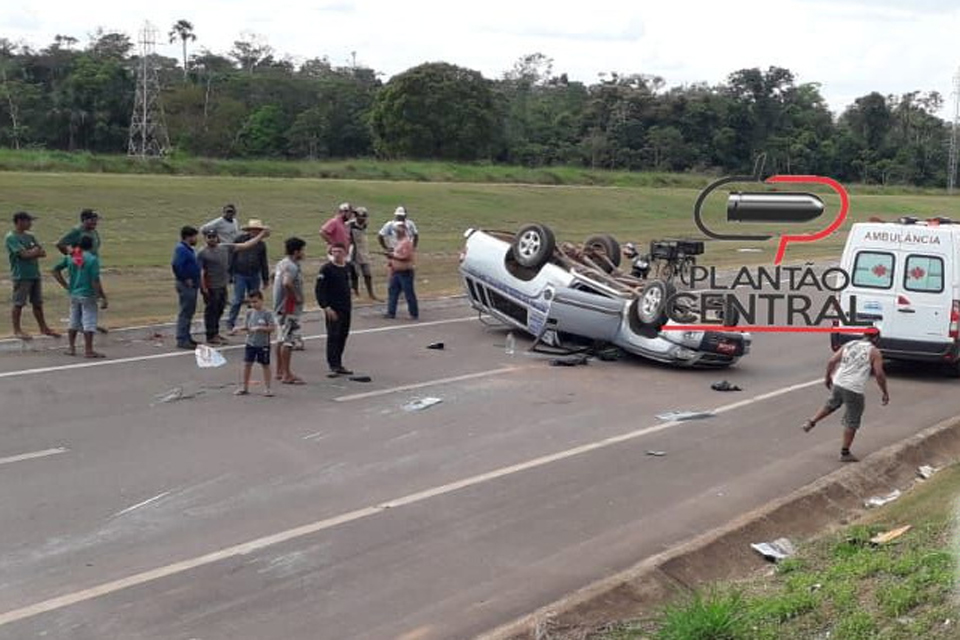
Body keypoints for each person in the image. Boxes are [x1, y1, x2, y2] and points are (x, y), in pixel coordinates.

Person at [803, 329, 889, 462]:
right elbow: (879, 374)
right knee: (852, 419)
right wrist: (884, 392)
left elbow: (832, 361)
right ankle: (845, 452)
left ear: (864, 336)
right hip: (854, 388)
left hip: (839, 382)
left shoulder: (849, 344)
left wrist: (827, 378)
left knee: (832, 404)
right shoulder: (874, 352)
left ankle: (811, 421)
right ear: (876, 338)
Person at [198, 226, 269, 345]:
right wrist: (204, 288)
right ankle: (210, 335)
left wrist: (261, 236)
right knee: (211, 311)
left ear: (217, 237)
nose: (212, 239)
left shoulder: (224, 247)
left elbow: (245, 245)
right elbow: (200, 272)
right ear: (205, 238)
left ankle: (215, 333)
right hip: (211, 287)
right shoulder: (202, 252)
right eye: (209, 237)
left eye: (213, 237)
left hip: (222, 285)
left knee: (220, 310)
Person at [6, 211, 60, 340]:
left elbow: (42, 252)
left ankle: (44, 328)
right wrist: (33, 252)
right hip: (21, 275)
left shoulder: (30, 236)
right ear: (19, 221)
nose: (30, 224)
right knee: (19, 302)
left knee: (37, 302)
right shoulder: (11, 237)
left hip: (34, 273)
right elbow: (23, 255)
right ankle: (17, 330)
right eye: (28, 221)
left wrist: (32, 252)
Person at [51, 235, 107, 358]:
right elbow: (95, 280)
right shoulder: (92, 259)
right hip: (87, 293)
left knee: (73, 320)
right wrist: (101, 296)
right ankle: (89, 349)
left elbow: (55, 270)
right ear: (91, 246)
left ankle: (71, 348)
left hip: (73, 293)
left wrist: (66, 285)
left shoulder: (72, 257)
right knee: (89, 321)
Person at [227, 219, 271, 334]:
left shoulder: (261, 245)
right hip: (240, 273)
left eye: (258, 230)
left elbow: (263, 262)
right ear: (249, 230)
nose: (255, 232)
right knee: (238, 299)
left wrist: (265, 278)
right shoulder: (239, 240)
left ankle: (252, 323)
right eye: (254, 230)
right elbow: (232, 257)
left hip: (254, 274)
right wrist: (230, 273)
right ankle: (230, 323)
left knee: (254, 300)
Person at [316, 243, 353, 376]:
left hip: (346, 307)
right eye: (334, 251)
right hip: (333, 308)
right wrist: (326, 307)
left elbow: (353, 279)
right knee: (333, 336)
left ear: (345, 252)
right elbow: (320, 290)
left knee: (343, 335)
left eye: (339, 251)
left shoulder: (348, 267)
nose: (336, 254)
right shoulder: (326, 269)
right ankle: (333, 364)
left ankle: (339, 363)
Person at [274, 237, 306, 385]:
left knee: (280, 339)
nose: (304, 253)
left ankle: (279, 371)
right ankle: (287, 374)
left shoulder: (282, 263)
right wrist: (296, 296)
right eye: (302, 250)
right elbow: (287, 283)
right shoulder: (291, 266)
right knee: (288, 341)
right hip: (289, 308)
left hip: (280, 308)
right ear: (296, 251)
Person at [236, 290, 275, 397]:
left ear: (261, 300)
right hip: (250, 343)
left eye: (255, 302)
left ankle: (268, 388)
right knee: (247, 364)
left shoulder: (267, 313)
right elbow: (247, 326)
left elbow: (272, 328)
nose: (253, 304)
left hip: (263, 344)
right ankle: (245, 387)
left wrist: (260, 328)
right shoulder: (249, 313)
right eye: (251, 302)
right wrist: (238, 329)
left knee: (265, 365)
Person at [171, 226, 201, 349]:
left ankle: (186, 336)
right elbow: (176, 265)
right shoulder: (182, 249)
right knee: (185, 312)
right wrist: (185, 278)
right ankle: (182, 339)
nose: (196, 239)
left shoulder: (188, 249)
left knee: (189, 311)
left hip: (192, 284)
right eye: (194, 236)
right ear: (188, 237)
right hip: (186, 285)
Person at [384, 223, 419, 320]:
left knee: (409, 293)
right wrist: (391, 260)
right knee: (393, 291)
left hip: (405, 272)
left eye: (398, 231)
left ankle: (414, 313)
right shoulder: (399, 242)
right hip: (396, 271)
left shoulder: (407, 242)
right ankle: (391, 312)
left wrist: (393, 256)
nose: (396, 233)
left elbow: (406, 257)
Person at [348, 206, 379, 300]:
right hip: (354, 251)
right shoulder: (350, 225)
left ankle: (371, 294)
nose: (361, 219)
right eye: (358, 216)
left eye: (363, 217)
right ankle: (355, 293)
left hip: (364, 251)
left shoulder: (364, 224)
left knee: (367, 274)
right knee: (354, 274)